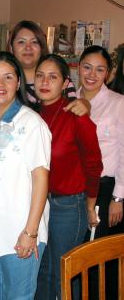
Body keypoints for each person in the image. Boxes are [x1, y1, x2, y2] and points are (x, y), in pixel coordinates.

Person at [0, 51, 51, 300]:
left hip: (19, 231)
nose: (0, 84)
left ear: (18, 82)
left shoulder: (32, 123)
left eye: (7, 77)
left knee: (19, 297)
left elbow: (40, 178)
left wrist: (31, 232)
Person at [33, 54, 103, 300]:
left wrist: (90, 203)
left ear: (65, 83)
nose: (45, 81)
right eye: (40, 75)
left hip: (68, 205)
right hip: (37, 207)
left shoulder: (76, 116)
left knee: (64, 273)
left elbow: (94, 163)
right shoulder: (31, 117)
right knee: (41, 270)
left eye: (53, 77)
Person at [76, 45, 124, 300]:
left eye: (100, 69)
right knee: (80, 254)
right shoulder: (70, 100)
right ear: (78, 67)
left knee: (101, 258)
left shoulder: (118, 103)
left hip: (107, 190)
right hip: (78, 190)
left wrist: (118, 198)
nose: (92, 74)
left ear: (108, 73)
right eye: (87, 67)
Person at [7, 20, 89, 116]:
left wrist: (85, 104)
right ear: (11, 48)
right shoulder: (6, 82)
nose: (28, 47)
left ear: (42, 47)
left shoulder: (60, 79)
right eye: (21, 42)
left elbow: (74, 112)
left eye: (34, 42)